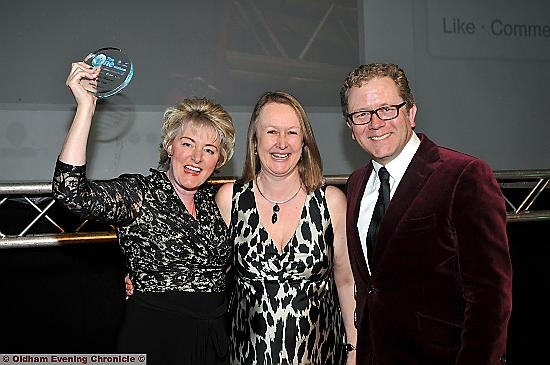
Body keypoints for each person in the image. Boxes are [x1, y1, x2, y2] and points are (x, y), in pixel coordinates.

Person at [52, 62, 236, 365]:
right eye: (187, 144)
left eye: (209, 150)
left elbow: (222, 269)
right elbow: (70, 192)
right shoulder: (139, 192)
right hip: (156, 338)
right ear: (169, 146)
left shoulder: (214, 203)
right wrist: (86, 108)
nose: (196, 157)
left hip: (211, 342)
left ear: (219, 160)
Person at [339, 63, 513, 365]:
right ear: (351, 129)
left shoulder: (464, 176)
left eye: (387, 109)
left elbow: (490, 297)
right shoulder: (355, 184)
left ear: (411, 113)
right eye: (361, 115)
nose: (375, 123)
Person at [215, 91, 357, 365]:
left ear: (304, 142)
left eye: (292, 132)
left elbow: (347, 282)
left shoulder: (331, 202)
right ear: (255, 141)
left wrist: (353, 351)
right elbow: (209, 274)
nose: (282, 143)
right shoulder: (229, 200)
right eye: (271, 132)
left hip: (321, 357)